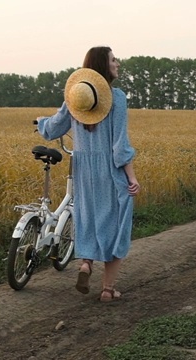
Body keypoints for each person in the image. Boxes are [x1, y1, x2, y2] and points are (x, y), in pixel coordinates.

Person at [36, 46, 139, 302]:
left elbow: (54, 128)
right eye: (114, 60)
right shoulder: (117, 98)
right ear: (104, 66)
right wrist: (132, 177)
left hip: (83, 169)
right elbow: (119, 146)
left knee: (88, 216)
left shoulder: (75, 97)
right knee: (115, 224)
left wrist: (40, 123)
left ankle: (85, 264)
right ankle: (107, 289)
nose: (118, 64)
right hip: (109, 170)